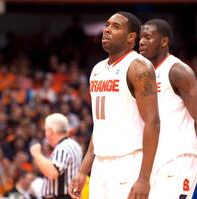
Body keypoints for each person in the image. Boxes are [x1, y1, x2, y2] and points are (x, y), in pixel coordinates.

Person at [69, 11, 160, 199]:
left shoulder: (138, 67)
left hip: (128, 162)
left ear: (131, 37)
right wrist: (83, 170)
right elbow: (101, 125)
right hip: (100, 165)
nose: (107, 30)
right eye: (107, 25)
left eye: (116, 27)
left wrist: (144, 178)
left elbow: (153, 122)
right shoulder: (97, 70)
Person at [139, 19, 197, 198]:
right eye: (140, 38)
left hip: (178, 159)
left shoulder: (177, 71)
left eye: (147, 37)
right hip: (152, 159)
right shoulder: (142, 74)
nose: (141, 42)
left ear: (164, 41)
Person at [30, 113, 83, 199]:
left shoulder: (62, 148)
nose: (45, 134)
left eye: (46, 130)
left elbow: (52, 173)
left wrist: (37, 154)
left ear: (50, 131)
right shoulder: (74, 144)